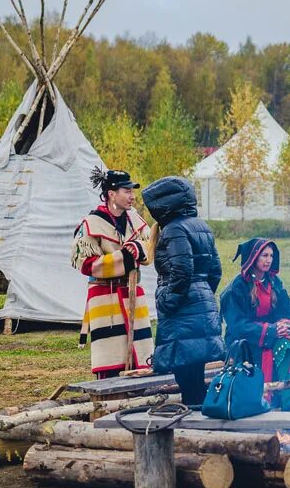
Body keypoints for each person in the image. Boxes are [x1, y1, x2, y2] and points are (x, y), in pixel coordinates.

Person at [141, 176, 224, 405]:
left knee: (185, 371)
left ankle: (194, 427)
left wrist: (168, 300)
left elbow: (182, 269)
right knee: (194, 367)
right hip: (200, 302)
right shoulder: (201, 226)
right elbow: (215, 269)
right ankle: (202, 418)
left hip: (183, 307)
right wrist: (204, 292)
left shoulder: (174, 229)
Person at [71, 168, 153, 378]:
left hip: (134, 292)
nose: (132, 196)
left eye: (132, 191)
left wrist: (139, 250)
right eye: (126, 191)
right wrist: (125, 257)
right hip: (105, 299)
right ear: (111, 194)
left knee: (140, 358)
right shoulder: (91, 224)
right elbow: (87, 264)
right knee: (110, 360)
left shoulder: (135, 220)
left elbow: (149, 248)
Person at [220, 238, 290, 411]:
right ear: (253, 257)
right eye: (264, 255)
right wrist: (271, 330)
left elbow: (287, 310)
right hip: (244, 342)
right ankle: (259, 400)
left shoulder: (274, 282)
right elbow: (237, 326)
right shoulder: (236, 288)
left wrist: (283, 326)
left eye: (271, 256)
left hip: (271, 336)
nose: (268, 260)